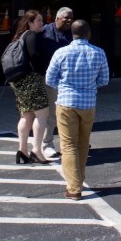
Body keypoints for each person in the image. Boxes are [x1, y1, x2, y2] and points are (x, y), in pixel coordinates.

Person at [45, 18, 110, 201]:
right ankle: (78, 180)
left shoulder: (61, 52)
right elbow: (104, 80)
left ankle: (74, 187)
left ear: (71, 33)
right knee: (83, 143)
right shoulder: (98, 52)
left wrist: (64, 86)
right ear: (88, 33)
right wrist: (89, 85)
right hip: (88, 103)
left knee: (68, 145)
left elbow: (49, 79)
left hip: (66, 102)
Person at [8, 10, 51, 165]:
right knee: (42, 113)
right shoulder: (32, 36)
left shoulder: (19, 37)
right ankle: (37, 150)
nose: (42, 23)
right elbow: (35, 58)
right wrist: (46, 70)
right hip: (30, 79)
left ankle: (22, 150)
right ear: (30, 23)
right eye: (39, 20)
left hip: (18, 80)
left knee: (26, 115)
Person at [36, 6, 73, 158]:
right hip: (49, 78)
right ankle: (47, 143)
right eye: (66, 18)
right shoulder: (44, 32)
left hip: (69, 79)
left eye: (71, 18)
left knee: (70, 111)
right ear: (57, 18)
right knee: (52, 111)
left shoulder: (73, 35)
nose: (69, 21)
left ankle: (71, 142)